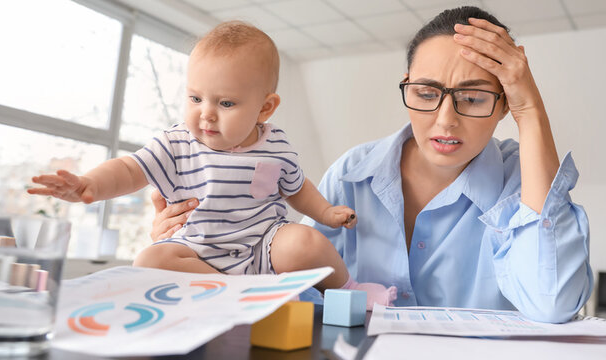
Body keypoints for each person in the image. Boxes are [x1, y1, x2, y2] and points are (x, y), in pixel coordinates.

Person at [151, 7, 593, 323]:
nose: (445, 119)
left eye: (474, 98)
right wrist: (196, 242)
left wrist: (531, 110)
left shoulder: (523, 178)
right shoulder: (351, 174)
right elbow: (286, 281)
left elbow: (552, 302)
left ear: (502, 107)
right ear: (406, 88)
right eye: (425, 93)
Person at [28, 21, 397, 308]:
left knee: (305, 241)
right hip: (198, 254)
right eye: (195, 97)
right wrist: (90, 184)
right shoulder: (177, 142)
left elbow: (297, 189)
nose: (205, 113)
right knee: (149, 260)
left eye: (225, 103)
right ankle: (235, 292)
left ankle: (351, 291)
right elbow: (129, 169)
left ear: (265, 108)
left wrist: (327, 212)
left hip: (263, 248)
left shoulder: (277, 145)